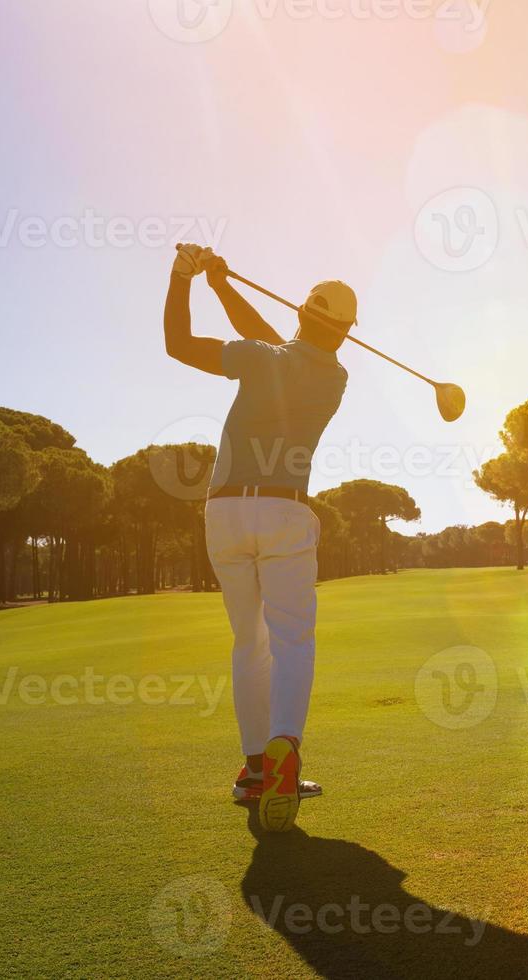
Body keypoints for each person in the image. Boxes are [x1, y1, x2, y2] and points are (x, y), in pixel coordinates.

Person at [163, 242, 353, 832]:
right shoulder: (335, 376)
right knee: (293, 640)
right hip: (284, 512)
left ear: (301, 313)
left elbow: (178, 344)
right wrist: (223, 286)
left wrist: (186, 278)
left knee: (250, 643)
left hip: (224, 514)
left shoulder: (260, 357)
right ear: (344, 333)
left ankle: (253, 769)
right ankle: (285, 757)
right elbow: (279, 344)